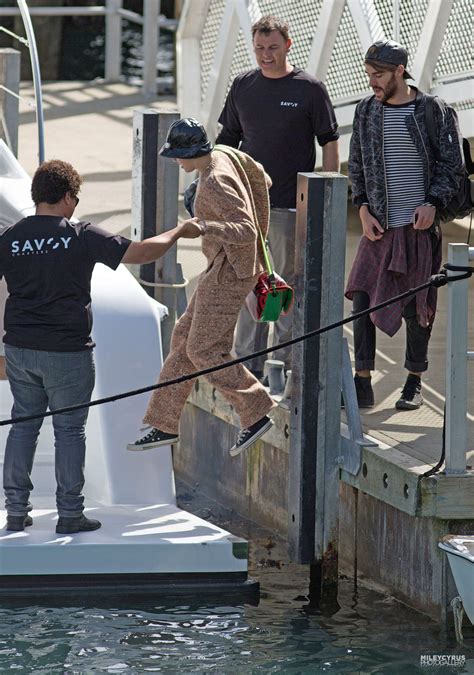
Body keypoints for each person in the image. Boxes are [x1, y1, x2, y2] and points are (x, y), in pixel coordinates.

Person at [1, 159, 196, 533]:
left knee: (23, 428)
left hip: (21, 350)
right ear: (67, 198)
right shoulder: (80, 234)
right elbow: (141, 252)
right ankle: (70, 515)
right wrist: (179, 231)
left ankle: (15, 512)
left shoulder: (11, 238)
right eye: (76, 197)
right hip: (67, 352)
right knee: (69, 431)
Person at [128, 118, 276, 456]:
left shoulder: (214, 183)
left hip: (230, 272)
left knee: (205, 351)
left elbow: (246, 231)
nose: (177, 162)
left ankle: (255, 412)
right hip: (222, 267)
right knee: (183, 338)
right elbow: (262, 176)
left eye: (179, 155)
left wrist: (205, 225)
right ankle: (164, 424)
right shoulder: (225, 152)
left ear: (194, 152)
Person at [216, 14, 340, 380]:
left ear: (288, 45)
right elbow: (227, 140)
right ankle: (246, 365)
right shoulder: (242, 85)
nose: (265, 55)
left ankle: (283, 367)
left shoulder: (309, 89)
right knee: (248, 283)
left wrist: (326, 192)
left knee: (285, 287)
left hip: (289, 206)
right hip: (247, 209)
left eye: (272, 48)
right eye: (259, 49)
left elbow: (329, 141)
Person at [345, 40, 465, 410]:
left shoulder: (434, 111)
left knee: (418, 307)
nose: (372, 83)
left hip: (417, 229)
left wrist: (432, 204)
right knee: (361, 299)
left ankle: (413, 380)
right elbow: (357, 167)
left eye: (378, 75)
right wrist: (362, 208)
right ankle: (361, 380)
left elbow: (452, 166)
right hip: (378, 227)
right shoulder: (366, 111)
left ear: (400, 71)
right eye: (369, 75)